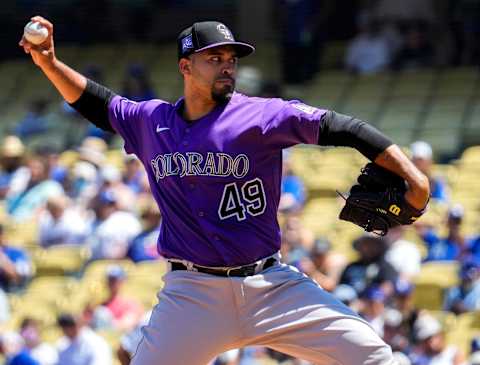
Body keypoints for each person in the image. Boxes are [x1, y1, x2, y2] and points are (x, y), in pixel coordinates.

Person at [20, 16, 430, 365]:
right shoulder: (150, 121)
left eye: (231, 59)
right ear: (185, 66)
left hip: (271, 286)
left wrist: (413, 175)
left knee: (376, 358)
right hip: (192, 295)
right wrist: (49, 62)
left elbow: (343, 127)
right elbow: (97, 103)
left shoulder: (261, 115)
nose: (226, 66)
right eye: (214, 58)